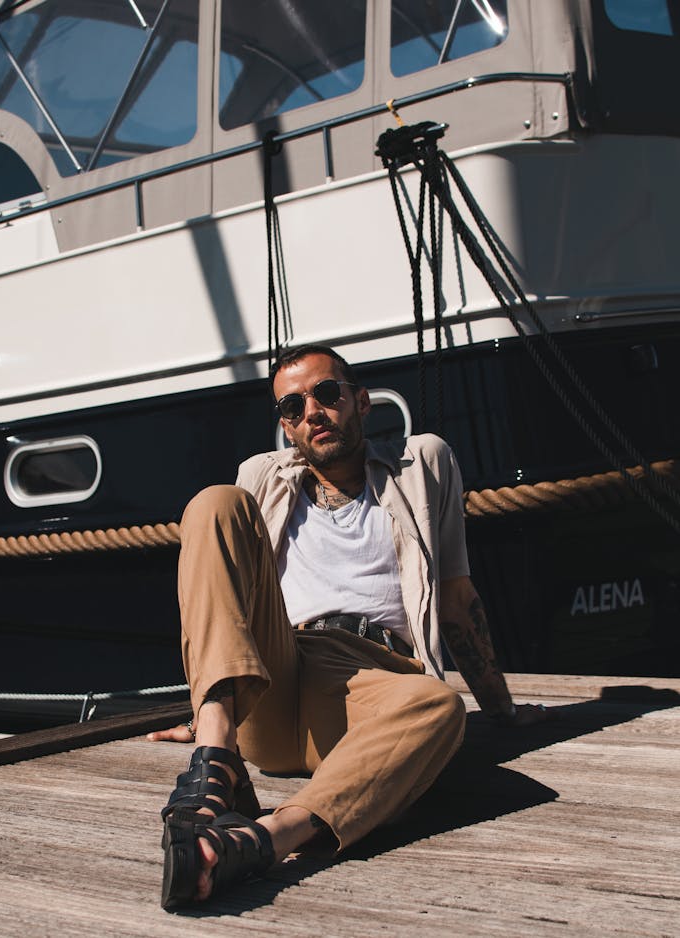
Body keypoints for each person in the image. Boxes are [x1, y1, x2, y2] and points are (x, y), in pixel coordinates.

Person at [149, 344, 548, 911]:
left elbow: (457, 596)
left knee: (438, 707)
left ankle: (259, 840)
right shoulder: (262, 477)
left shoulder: (422, 464)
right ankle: (216, 761)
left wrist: (502, 710)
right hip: (283, 668)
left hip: (374, 679)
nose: (312, 411)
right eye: (292, 406)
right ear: (286, 426)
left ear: (361, 401)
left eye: (327, 393)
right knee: (213, 503)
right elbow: (229, 601)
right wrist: (207, 713)